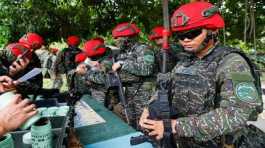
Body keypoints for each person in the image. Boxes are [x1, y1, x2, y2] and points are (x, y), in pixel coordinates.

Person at [140, 2, 264, 147]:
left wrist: (174, 126)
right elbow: (165, 86)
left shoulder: (231, 63)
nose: (185, 40)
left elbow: (237, 113)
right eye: (180, 36)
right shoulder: (185, 61)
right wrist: (149, 107)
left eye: (192, 34)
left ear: (212, 31)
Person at [85, 22, 155, 128]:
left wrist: (123, 64)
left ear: (128, 38)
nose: (116, 41)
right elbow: (114, 69)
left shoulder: (144, 49)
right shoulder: (123, 52)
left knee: (146, 125)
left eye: (118, 38)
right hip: (129, 94)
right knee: (132, 123)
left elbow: (147, 69)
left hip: (145, 95)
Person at [75, 38, 112, 102]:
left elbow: (104, 79)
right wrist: (83, 66)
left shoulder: (108, 61)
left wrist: (86, 73)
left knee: (101, 110)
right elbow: (87, 63)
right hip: (95, 91)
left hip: (107, 95)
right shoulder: (97, 56)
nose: (90, 59)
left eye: (93, 57)